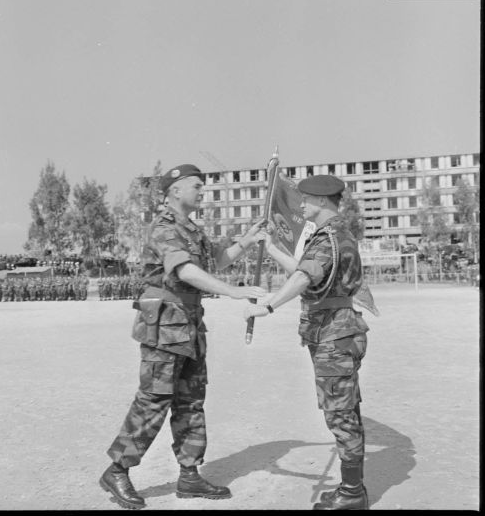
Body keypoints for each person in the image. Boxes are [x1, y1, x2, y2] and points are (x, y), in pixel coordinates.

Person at [100, 164, 266, 510]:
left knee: (190, 399)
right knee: (154, 399)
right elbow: (186, 271)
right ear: (175, 190)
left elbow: (216, 260)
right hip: (165, 325)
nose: (201, 191)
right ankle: (117, 470)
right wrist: (232, 292)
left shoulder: (192, 230)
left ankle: (189, 474)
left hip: (188, 323)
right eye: (196, 186)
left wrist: (246, 242)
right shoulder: (165, 227)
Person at [244, 174, 370, 510]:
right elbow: (305, 268)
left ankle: (352, 493)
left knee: (340, 414)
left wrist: (269, 305)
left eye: (306, 200)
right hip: (336, 334)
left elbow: (304, 276)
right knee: (344, 411)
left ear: (323, 201)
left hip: (334, 336)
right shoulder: (331, 236)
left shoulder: (330, 237)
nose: (301, 205)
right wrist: (270, 249)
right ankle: (351, 487)